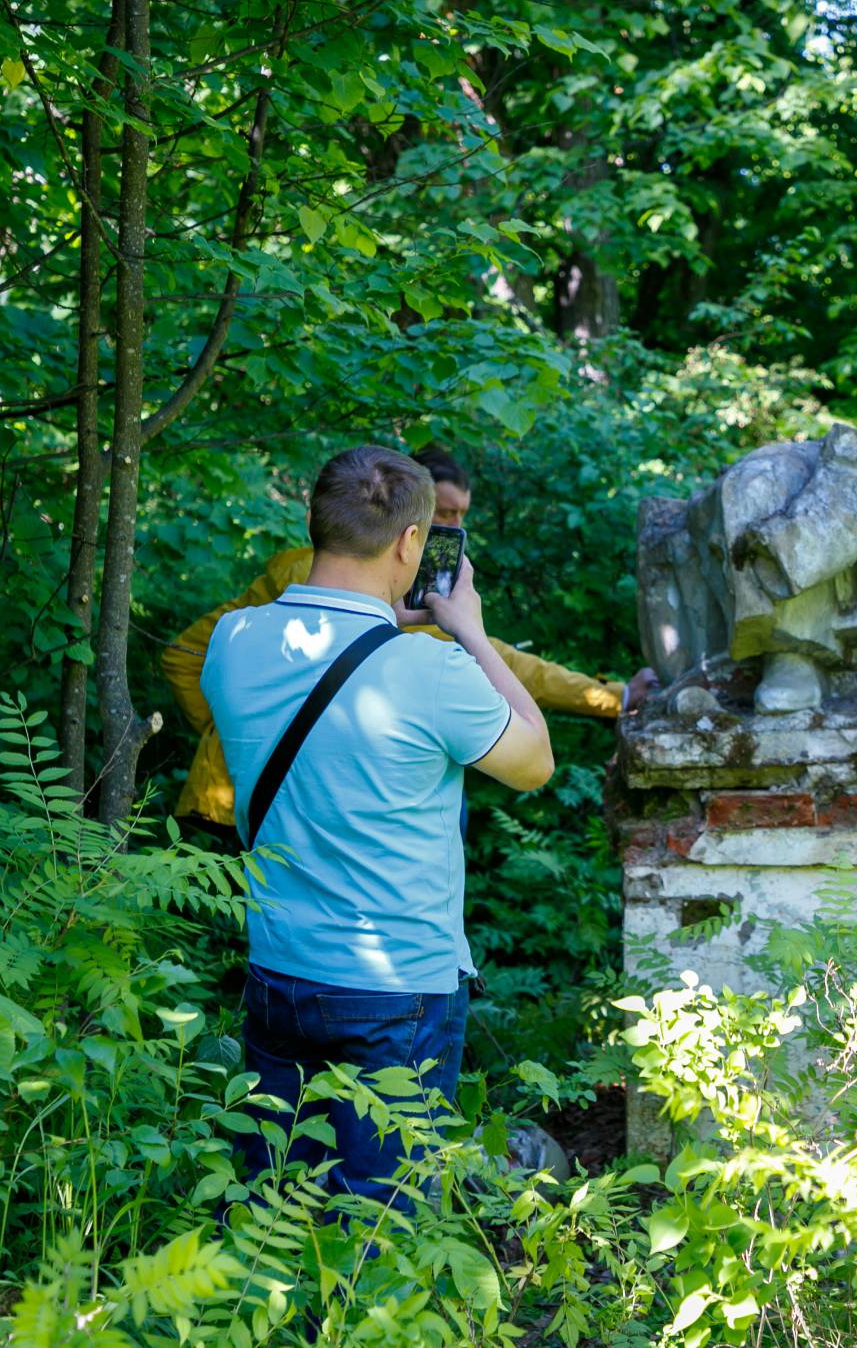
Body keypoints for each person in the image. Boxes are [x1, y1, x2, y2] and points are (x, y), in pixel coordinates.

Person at [201, 446, 554, 1207]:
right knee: (383, 1233)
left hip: (277, 974)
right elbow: (535, 760)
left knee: (276, 1211)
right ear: (409, 543)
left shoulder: (230, 644)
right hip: (398, 994)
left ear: (316, 524)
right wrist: (471, 631)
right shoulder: (429, 672)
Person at [163, 448, 657, 831]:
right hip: (277, 817)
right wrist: (229, 739)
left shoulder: (239, 633)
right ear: (407, 532)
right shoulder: (414, 648)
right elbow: (533, 761)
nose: (452, 529)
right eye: (440, 514)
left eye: (461, 515)